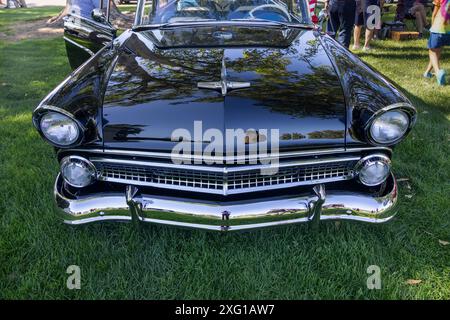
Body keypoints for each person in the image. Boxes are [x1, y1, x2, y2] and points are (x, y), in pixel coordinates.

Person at [423, 0, 449, 85]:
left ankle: (438, 72)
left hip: (438, 28)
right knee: (437, 50)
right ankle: (427, 72)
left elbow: (434, 13)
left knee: (432, 51)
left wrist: (432, 27)